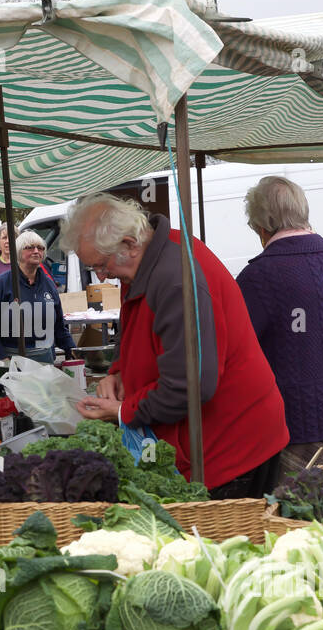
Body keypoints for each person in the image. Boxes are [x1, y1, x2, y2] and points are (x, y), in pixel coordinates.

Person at [64, 192, 289, 499]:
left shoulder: (175, 279)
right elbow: (136, 327)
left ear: (129, 244)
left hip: (229, 446)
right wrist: (116, 373)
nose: (102, 276)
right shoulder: (149, 256)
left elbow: (191, 385)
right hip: (219, 438)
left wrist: (123, 412)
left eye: (101, 265)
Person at [236, 177, 323, 472]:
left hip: (296, 427)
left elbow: (237, 354)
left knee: (298, 515)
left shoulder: (259, 276)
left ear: (262, 226)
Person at [0, 230, 76, 365]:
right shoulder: (0, 284)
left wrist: (71, 349)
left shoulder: (48, 284)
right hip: (12, 360)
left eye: (40, 248)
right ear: (18, 252)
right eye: (30, 247)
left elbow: (59, 324)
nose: (36, 251)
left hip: (44, 359)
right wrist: (1, 358)